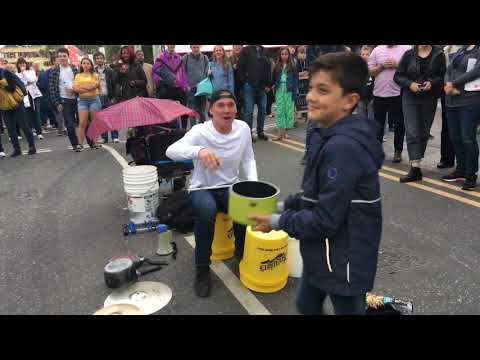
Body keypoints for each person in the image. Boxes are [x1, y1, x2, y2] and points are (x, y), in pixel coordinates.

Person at [249, 53, 384, 315]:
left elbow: (325, 219)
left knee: (347, 310)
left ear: (349, 101)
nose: (310, 96)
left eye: (322, 90)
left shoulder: (343, 147)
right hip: (323, 252)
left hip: (344, 259)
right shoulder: (326, 135)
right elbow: (317, 194)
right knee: (306, 304)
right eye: (311, 87)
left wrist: (277, 221)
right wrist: (280, 205)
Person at [166, 89, 257, 298]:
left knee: (246, 207)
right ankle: (202, 269)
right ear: (210, 109)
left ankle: (241, 253)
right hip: (202, 188)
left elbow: (248, 159)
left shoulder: (243, 128)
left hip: (230, 186)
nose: (226, 110)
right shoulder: (200, 131)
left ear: (236, 108)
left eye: (230, 105)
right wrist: (199, 151)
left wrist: (252, 186)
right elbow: (171, 151)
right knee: (206, 211)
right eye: (220, 105)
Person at [393, 45, 446, 182]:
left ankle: (417, 162)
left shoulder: (439, 54)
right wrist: (410, 84)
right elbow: (398, 76)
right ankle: (415, 167)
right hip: (410, 96)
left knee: (423, 132)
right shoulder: (408, 54)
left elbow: (442, 76)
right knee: (412, 131)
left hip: (429, 97)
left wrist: (432, 83)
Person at [442, 45, 480, 191]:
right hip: (452, 99)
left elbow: (477, 71)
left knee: (468, 138)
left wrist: (454, 84)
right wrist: (448, 85)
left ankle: (471, 175)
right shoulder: (460, 50)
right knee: (455, 137)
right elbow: (448, 70)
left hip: (470, 101)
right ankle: (461, 170)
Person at [303, 45, 349, 165]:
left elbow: (343, 67)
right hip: (319, 87)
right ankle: (309, 153)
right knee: (313, 123)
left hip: (335, 89)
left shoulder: (340, 48)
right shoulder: (312, 48)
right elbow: (311, 66)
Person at [368, 45, 411, 163]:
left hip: (398, 93)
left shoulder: (406, 49)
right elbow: (369, 71)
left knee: (399, 124)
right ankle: (377, 151)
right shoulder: (377, 50)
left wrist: (398, 65)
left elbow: (412, 70)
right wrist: (382, 66)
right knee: (378, 125)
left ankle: (398, 152)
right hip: (379, 93)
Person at [237, 45, 273, 141]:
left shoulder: (265, 50)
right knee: (248, 111)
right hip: (249, 86)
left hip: (262, 87)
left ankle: (260, 132)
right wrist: (245, 81)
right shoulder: (246, 50)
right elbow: (240, 67)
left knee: (262, 110)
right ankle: (248, 133)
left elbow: (268, 68)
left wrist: (268, 84)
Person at [0, 66, 36, 156]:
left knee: (24, 125)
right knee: (10, 128)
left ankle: (32, 146)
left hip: (16, 103)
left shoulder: (4, 72)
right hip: (4, 106)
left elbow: (12, 88)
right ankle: (16, 149)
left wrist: (2, 84)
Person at [49, 47, 80, 151]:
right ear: (57, 58)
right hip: (64, 100)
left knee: (84, 121)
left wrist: (76, 90)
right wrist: (57, 103)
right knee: (70, 124)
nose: (62, 58)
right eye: (60, 56)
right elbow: (52, 89)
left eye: (64, 56)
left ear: (68, 56)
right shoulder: (54, 71)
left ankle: (91, 142)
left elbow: (80, 83)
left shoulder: (75, 68)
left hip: (77, 98)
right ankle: (75, 145)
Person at [152, 45, 189, 129]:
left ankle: (183, 130)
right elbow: (154, 72)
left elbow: (183, 73)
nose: (171, 46)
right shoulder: (161, 57)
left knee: (183, 110)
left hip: (178, 88)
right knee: (165, 111)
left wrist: (185, 85)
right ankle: (167, 130)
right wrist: (159, 80)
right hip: (165, 88)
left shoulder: (179, 58)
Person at [437, 45, 462, 169]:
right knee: (447, 127)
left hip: (464, 93)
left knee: (464, 132)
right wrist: (448, 85)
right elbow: (445, 72)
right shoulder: (446, 50)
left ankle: (463, 165)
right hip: (447, 92)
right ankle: (447, 159)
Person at [72, 57, 102, 151]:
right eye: (84, 63)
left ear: (91, 65)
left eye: (88, 63)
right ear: (81, 65)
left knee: (94, 122)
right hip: (82, 101)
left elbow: (96, 86)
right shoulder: (78, 76)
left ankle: (95, 142)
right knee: (82, 122)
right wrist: (89, 87)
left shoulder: (95, 75)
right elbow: (75, 89)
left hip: (94, 100)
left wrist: (82, 87)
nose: (86, 65)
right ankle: (80, 144)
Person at [271, 47, 299, 141]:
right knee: (280, 111)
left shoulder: (293, 65)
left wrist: (295, 91)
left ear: (289, 55)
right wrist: (273, 86)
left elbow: (296, 80)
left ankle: (285, 132)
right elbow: (274, 78)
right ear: (280, 55)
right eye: (282, 54)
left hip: (289, 90)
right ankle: (280, 133)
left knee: (288, 111)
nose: (284, 56)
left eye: (286, 54)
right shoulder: (277, 65)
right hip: (279, 90)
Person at [16, 58, 44, 140]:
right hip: (25, 95)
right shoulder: (17, 74)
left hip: (35, 95)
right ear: (18, 65)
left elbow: (32, 80)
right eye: (20, 64)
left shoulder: (31, 72)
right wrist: (26, 82)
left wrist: (24, 73)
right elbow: (21, 84)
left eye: (23, 63)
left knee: (36, 113)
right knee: (28, 113)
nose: (22, 65)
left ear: (26, 64)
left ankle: (39, 132)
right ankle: (31, 129)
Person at [94, 51, 118, 143]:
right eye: (97, 58)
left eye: (100, 58)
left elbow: (115, 84)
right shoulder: (93, 71)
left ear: (104, 59)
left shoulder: (110, 71)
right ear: (95, 60)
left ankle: (115, 136)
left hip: (109, 96)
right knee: (101, 118)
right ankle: (104, 137)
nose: (98, 60)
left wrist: (114, 97)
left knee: (112, 117)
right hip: (98, 97)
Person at [183, 45, 209, 127]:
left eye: (197, 47)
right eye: (194, 47)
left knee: (202, 111)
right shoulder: (186, 58)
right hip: (191, 89)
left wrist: (204, 84)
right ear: (191, 48)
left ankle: (203, 129)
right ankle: (194, 129)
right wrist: (186, 85)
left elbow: (206, 73)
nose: (196, 49)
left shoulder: (205, 58)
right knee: (192, 111)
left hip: (202, 88)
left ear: (200, 47)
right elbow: (182, 73)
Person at [34, 61, 57, 130]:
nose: (35, 68)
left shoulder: (42, 74)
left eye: (36, 66)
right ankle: (54, 124)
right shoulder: (43, 73)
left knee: (46, 110)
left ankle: (50, 124)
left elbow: (42, 85)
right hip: (45, 95)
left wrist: (35, 84)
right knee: (49, 110)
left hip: (44, 95)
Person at [357, 46, 375, 122]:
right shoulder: (358, 68)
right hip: (361, 97)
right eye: (363, 54)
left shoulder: (374, 67)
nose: (364, 56)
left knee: (372, 118)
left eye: (367, 54)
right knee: (361, 118)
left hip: (372, 97)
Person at [231, 45, 244, 120]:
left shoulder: (246, 58)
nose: (237, 47)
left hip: (244, 86)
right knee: (235, 109)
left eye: (239, 46)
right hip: (233, 87)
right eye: (235, 46)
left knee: (244, 109)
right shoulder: (229, 60)